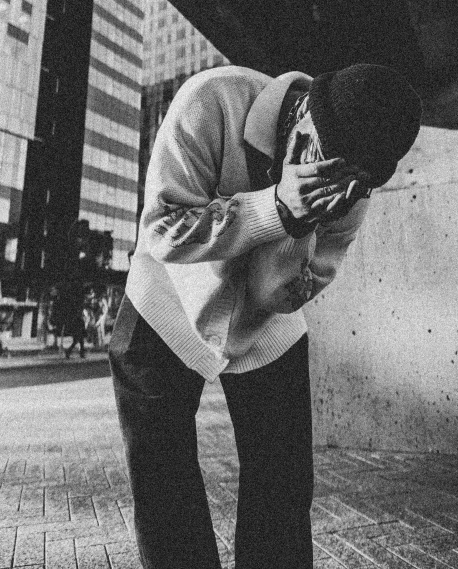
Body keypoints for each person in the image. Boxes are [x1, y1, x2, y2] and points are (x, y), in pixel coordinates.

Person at [109, 63, 422, 569]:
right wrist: (274, 208)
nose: (342, 191)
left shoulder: (351, 186)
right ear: (303, 115)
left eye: (358, 183)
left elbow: (298, 284)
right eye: (331, 165)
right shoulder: (211, 101)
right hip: (162, 305)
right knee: (161, 477)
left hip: (265, 328)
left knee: (283, 483)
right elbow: (162, 229)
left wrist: (299, 234)